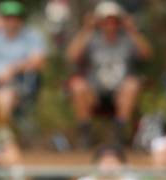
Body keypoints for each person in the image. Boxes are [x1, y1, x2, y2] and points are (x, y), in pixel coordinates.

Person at [65, 1, 152, 145]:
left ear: (119, 22)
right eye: (105, 21)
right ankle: (85, 134)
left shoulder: (128, 40)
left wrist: (132, 29)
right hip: (95, 94)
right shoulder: (91, 39)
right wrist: (86, 29)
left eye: (114, 21)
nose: (110, 25)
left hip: (120, 95)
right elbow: (71, 56)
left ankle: (119, 133)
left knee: (132, 84)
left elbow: (147, 54)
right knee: (77, 85)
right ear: (99, 22)